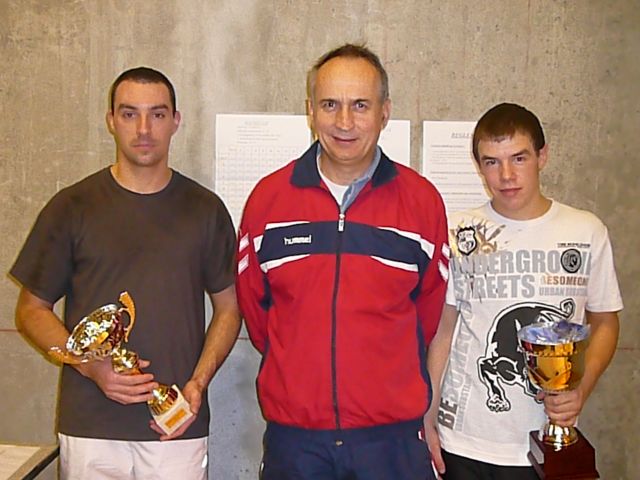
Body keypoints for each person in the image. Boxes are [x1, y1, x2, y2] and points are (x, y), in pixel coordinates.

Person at [10, 67, 241, 479]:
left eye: (157, 114)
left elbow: (229, 309)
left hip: (175, 426)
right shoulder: (72, 207)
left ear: (176, 121)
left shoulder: (205, 210)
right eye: (130, 114)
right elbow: (31, 310)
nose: (144, 129)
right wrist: (88, 366)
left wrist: (197, 386)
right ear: (111, 120)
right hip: (91, 428)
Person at [236, 44, 449, 480]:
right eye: (331, 105)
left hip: (392, 443)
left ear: (385, 112)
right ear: (310, 110)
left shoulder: (422, 203)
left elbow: (428, 315)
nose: (345, 122)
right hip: (296, 443)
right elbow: (259, 316)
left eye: (360, 106)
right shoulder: (267, 201)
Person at [424, 102, 623, 479]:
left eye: (519, 158)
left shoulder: (585, 230)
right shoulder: (459, 231)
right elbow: (444, 330)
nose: (506, 175)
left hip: (543, 440)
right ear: (478, 165)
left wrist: (581, 389)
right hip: (465, 441)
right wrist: (428, 415)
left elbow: (606, 322)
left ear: (542, 156)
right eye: (491, 162)